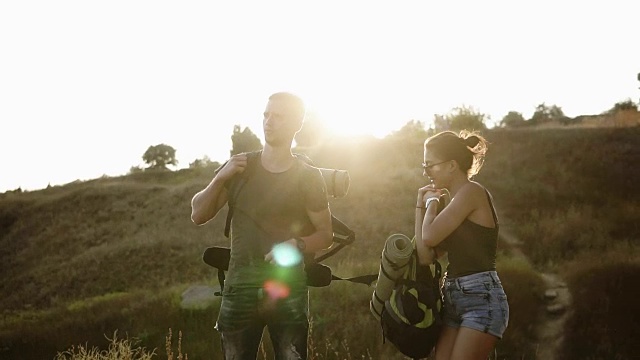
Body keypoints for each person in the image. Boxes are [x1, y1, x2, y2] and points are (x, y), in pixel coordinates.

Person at [190, 92, 334, 360]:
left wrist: (297, 245)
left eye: (278, 117)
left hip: (288, 286)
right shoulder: (240, 168)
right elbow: (198, 214)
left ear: (296, 124)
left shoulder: (309, 177)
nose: (269, 122)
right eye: (266, 115)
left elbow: (326, 234)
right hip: (239, 285)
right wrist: (221, 177)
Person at [414, 130, 509, 360]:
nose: (425, 172)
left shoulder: (472, 193)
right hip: (454, 300)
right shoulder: (455, 204)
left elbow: (429, 236)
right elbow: (425, 255)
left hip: (481, 299)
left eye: (430, 165)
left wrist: (432, 203)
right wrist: (420, 205)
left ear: (451, 165)